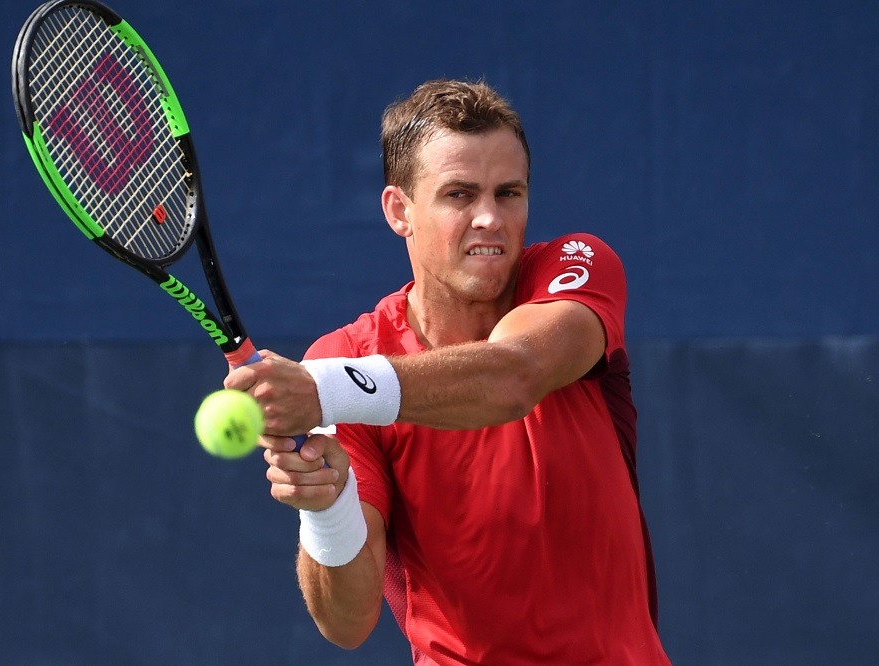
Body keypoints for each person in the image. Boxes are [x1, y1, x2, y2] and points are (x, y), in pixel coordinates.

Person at [225, 78, 670, 665]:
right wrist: (326, 507)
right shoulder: (344, 355)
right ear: (399, 211)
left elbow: (513, 375)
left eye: (508, 193)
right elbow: (348, 622)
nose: (489, 217)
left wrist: (324, 391)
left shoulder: (578, 268)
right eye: (460, 194)